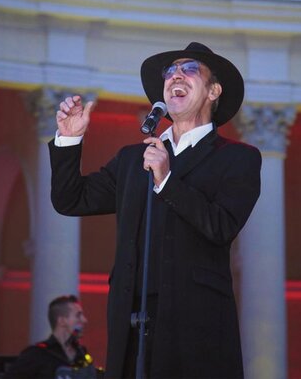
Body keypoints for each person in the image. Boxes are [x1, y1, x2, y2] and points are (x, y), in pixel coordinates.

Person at [49, 42, 261, 378]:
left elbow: (221, 226)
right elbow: (71, 200)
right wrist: (68, 140)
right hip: (132, 323)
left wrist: (167, 180)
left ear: (213, 91)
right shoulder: (133, 159)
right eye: (170, 71)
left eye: (189, 69)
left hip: (195, 327)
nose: (175, 75)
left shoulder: (238, 158)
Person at [5, 295, 96, 379]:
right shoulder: (36, 354)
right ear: (62, 321)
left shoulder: (82, 354)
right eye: (78, 315)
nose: (84, 320)